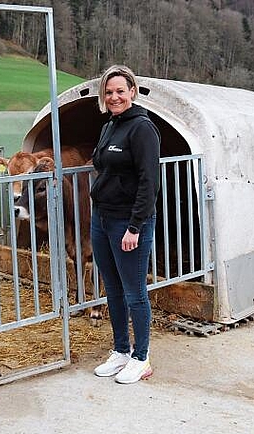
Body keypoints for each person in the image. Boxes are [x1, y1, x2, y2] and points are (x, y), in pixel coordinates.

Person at [90, 65, 160, 384]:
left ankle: (141, 357)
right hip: (102, 218)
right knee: (113, 288)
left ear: (132, 91)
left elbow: (149, 181)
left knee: (134, 292)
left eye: (120, 90)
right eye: (109, 92)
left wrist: (135, 227)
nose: (114, 96)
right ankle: (120, 351)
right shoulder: (108, 126)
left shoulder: (142, 129)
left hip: (128, 222)